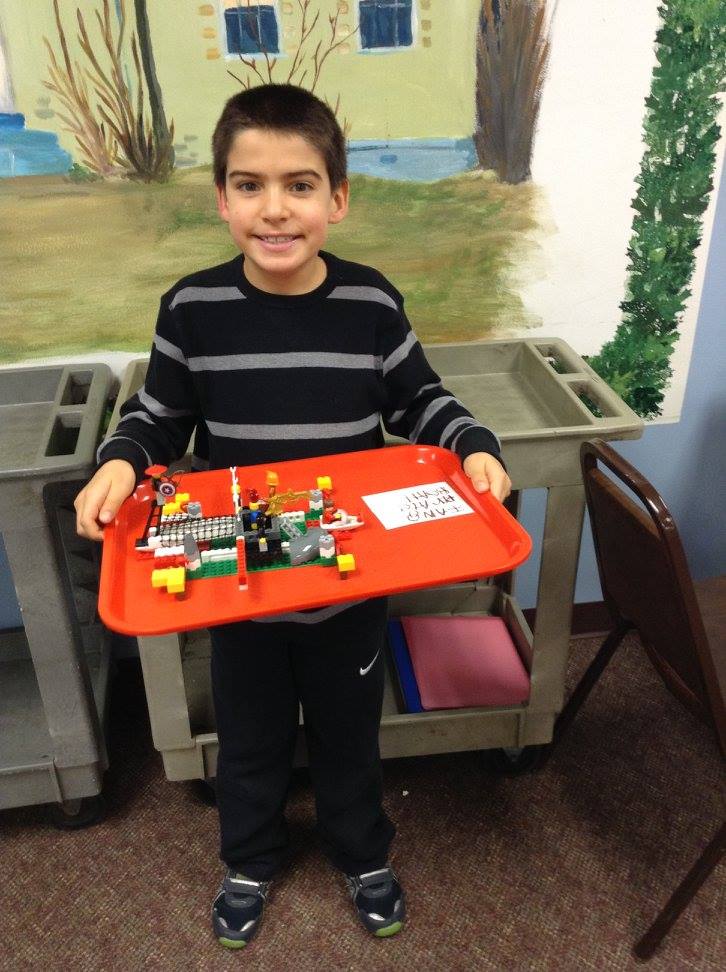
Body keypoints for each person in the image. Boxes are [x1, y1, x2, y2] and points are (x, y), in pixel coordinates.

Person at [75, 83, 511, 949]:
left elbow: (419, 398)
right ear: (222, 198)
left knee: (352, 734)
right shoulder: (191, 308)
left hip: (349, 582)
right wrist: (122, 461)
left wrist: (472, 444)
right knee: (250, 737)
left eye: (300, 185)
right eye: (250, 184)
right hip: (239, 582)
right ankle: (249, 857)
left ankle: (362, 853)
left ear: (337, 199)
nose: (275, 209)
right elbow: (159, 418)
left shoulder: (372, 304)